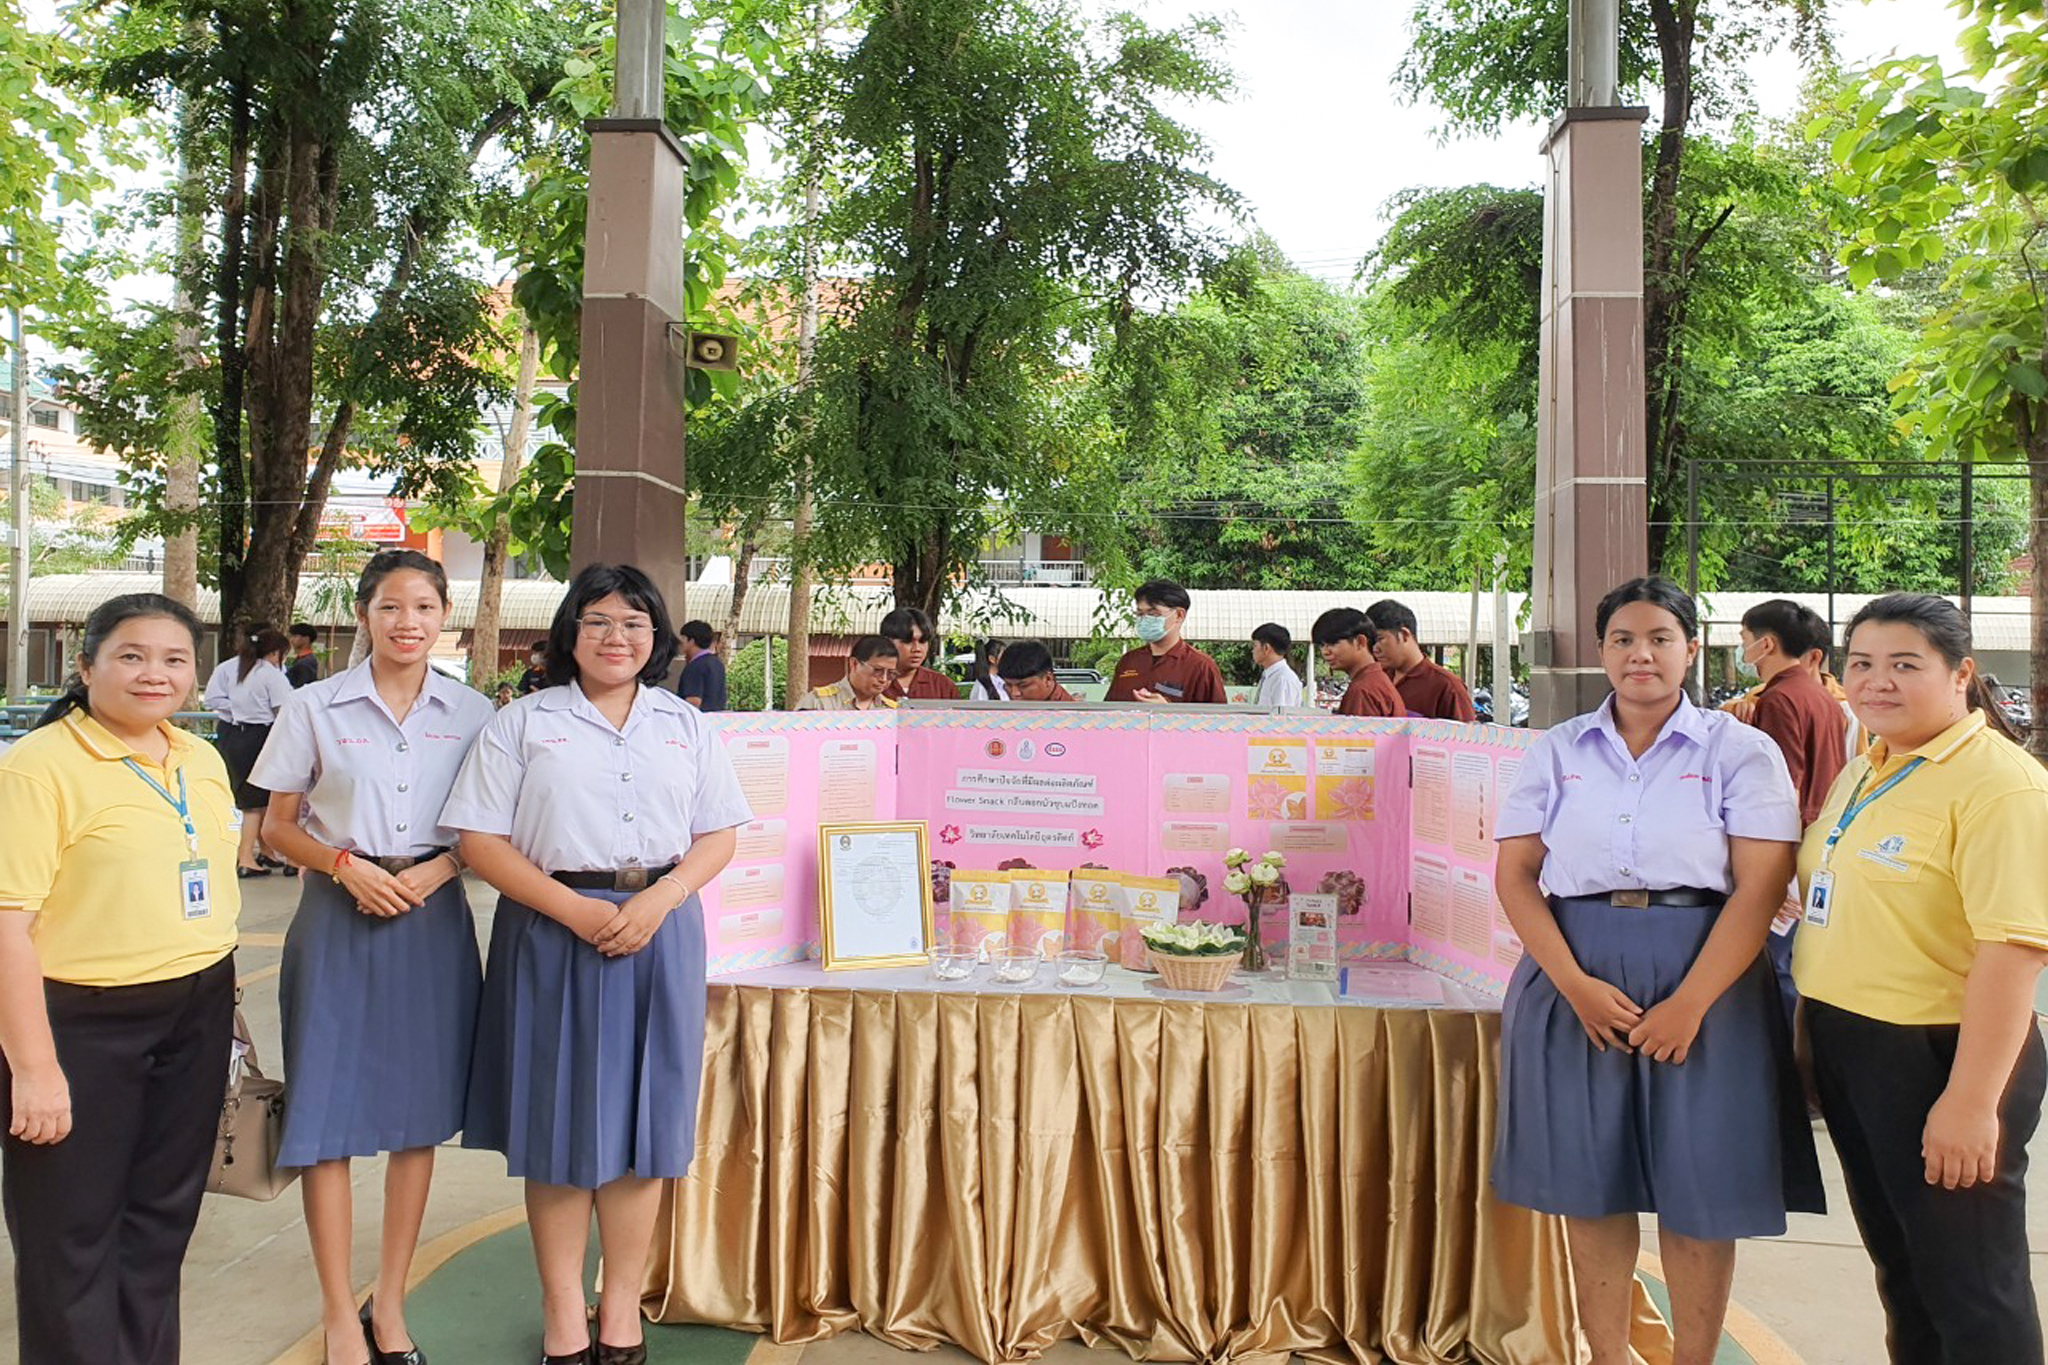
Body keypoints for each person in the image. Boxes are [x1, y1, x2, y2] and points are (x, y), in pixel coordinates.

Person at [1491, 575, 1821, 1365]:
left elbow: (1762, 884)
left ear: (1691, 649)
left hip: (1707, 976)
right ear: (1601, 651)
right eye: (1623, 640)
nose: (1642, 654)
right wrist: (1571, 983)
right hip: (1575, 977)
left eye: (1660, 638)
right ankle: (1607, 1355)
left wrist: (1692, 1002)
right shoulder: (1557, 750)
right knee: (1588, 1180)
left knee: (1700, 1182)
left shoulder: (1741, 750)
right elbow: (1516, 877)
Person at [442, 563, 751, 1365]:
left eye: (635, 623)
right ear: (571, 632)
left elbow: (719, 832)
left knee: (646, 1125)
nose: (618, 636)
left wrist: (662, 897)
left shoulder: (684, 726)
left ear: (658, 638)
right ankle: (561, 1316)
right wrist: (574, 908)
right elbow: (478, 839)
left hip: (660, 928)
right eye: (600, 621)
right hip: (550, 928)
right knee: (558, 1125)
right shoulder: (523, 723)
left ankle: (620, 1312)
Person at [249, 550, 495, 1365]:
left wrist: (441, 865)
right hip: (336, 912)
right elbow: (277, 826)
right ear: (365, 613)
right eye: (391, 607)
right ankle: (334, 1312)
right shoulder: (315, 706)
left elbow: (487, 826)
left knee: (415, 1117)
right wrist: (344, 867)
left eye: (424, 607)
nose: (408, 623)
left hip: (431, 916)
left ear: (444, 615)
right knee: (326, 1117)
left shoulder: (474, 712)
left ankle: (388, 1305)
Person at [1793, 594, 2048, 1365]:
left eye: (1906, 664)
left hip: (1943, 1054)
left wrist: (1971, 1102)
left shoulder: (2000, 785)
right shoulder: (1871, 764)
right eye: (1862, 663)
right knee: (1904, 1270)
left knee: (1972, 1283)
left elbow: (2014, 951)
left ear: (1962, 673)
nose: (1877, 681)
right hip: (1853, 1044)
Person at [0, 593, 241, 1365]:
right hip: (78, 1024)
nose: (154, 674)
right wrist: (34, 1069)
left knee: (160, 1225)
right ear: (86, 665)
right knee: (70, 1239)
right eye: (131, 656)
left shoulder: (198, 757)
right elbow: (6, 924)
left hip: (194, 1011)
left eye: (173, 659)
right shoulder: (40, 768)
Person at [204, 624, 295, 876]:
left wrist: (236, 711)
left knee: (250, 796)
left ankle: (266, 851)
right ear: (275, 651)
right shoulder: (270, 674)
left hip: (233, 734)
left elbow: (212, 699)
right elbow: (285, 710)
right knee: (256, 801)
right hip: (262, 736)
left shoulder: (228, 668)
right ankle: (245, 858)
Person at [1104, 579, 1227, 704]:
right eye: (1140, 614)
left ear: (1179, 615)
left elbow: (1220, 720)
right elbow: (1108, 712)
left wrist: (1167, 711)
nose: (1145, 619)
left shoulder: (1201, 666)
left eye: (1153, 613)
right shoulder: (1129, 661)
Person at [1365, 598, 1476, 721]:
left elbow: (1465, 737)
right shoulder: (1378, 679)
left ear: (1404, 635)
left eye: (1379, 639)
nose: (1374, 649)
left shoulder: (1447, 686)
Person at [1311, 608, 1401, 717]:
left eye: (1333, 643)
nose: (1325, 652)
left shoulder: (1363, 690)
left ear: (1360, 642)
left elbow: (1359, 733)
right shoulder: (1376, 680)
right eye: (1321, 645)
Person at [795, 636, 902, 712]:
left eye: (890, 674)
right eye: (878, 670)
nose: (883, 679)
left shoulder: (893, 711)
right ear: (854, 664)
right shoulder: (818, 703)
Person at [880, 607, 958, 700]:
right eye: (908, 641)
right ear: (887, 641)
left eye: (923, 641)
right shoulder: (870, 685)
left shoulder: (943, 686)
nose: (917, 649)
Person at [997, 641, 1076, 702]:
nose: (1014, 693)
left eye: (1023, 686)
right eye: (1008, 685)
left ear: (1048, 679)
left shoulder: (1071, 716)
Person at [675, 620, 727, 712]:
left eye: (683, 638)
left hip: (699, 720)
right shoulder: (717, 663)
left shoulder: (695, 666)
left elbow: (693, 701)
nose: (680, 642)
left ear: (691, 641)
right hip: (717, 719)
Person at [1250, 623, 1305, 708]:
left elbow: (1281, 718)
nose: (1252, 651)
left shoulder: (1283, 679)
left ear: (1266, 648)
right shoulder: (1269, 675)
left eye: (1255, 646)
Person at [287, 622, 322, 688]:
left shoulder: (306, 662)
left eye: (295, 636)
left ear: (306, 638)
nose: (291, 640)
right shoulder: (301, 659)